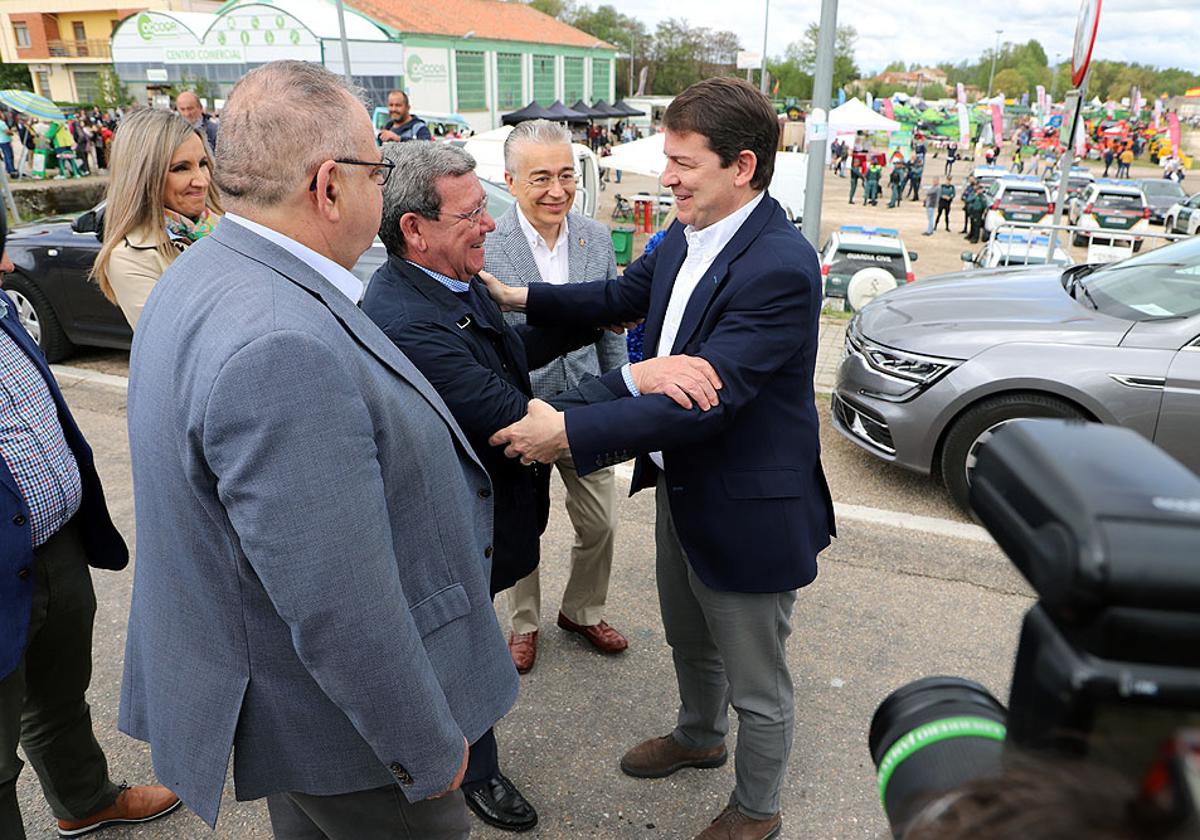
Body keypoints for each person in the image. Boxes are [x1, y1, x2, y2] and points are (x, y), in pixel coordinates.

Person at [119, 60, 518, 840]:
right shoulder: (279, 346)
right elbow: (342, 606)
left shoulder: (204, 271)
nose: (384, 186)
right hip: (348, 736)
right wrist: (425, 751)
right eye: (379, 169)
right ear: (329, 185)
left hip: (287, 703)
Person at [483, 76, 836, 840]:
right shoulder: (686, 232)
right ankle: (699, 736)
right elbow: (618, 296)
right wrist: (521, 299)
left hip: (747, 504)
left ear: (742, 166)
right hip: (685, 484)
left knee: (758, 678)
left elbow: (704, 398)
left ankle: (757, 809)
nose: (665, 175)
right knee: (687, 631)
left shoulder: (778, 264)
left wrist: (568, 431)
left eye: (683, 162)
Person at [0, 205, 182, 839]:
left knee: (57, 697)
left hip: (54, 545)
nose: (6, 264)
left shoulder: (1, 317)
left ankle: (84, 801)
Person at [483, 120, 631, 676]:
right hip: (521, 413)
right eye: (540, 177)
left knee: (601, 524)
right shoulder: (488, 243)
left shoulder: (594, 239)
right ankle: (525, 624)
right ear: (511, 181)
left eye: (566, 175)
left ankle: (582, 609)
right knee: (524, 526)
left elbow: (613, 327)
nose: (557, 190)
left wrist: (621, 403)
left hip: (588, 408)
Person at [90, 109, 222, 329]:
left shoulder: (226, 224)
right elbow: (180, 342)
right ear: (145, 177)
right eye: (181, 168)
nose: (201, 180)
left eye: (203, 164)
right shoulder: (130, 258)